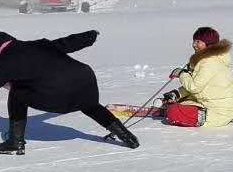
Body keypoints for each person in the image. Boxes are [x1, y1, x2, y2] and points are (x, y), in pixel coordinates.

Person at [0, 30, 139, 154]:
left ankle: (15, 142)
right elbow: (67, 43)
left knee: (17, 93)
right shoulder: (39, 44)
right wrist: (90, 36)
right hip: (84, 80)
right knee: (91, 106)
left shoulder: (4, 62)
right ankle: (128, 137)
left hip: (58, 95)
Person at [162, 27, 233, 128]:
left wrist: (181, 74)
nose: (194, 44)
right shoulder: (214, 59)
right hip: (229, 103)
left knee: (173, 112)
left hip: (218, 110)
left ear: (208, 43)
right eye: (194, 41)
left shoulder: (208, 63)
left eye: (198, 42)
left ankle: (201, 116)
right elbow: (198, 84)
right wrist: (178, 93)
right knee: (184, 100)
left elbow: (194, 87)